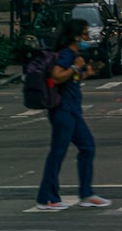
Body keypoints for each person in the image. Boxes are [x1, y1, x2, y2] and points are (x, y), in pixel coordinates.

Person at [35, 18, 110, 210]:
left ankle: (86, 193)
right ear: (76, 36)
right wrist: (76, 67)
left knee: (87, 147)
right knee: (58, 152)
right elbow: (57, 76)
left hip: (72, 110)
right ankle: (47, 198)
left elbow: (71, 79)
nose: (87, 37)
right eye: (85, 34)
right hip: (63, 111)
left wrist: (87, 72)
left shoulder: (73, 54)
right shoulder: (67, 54)